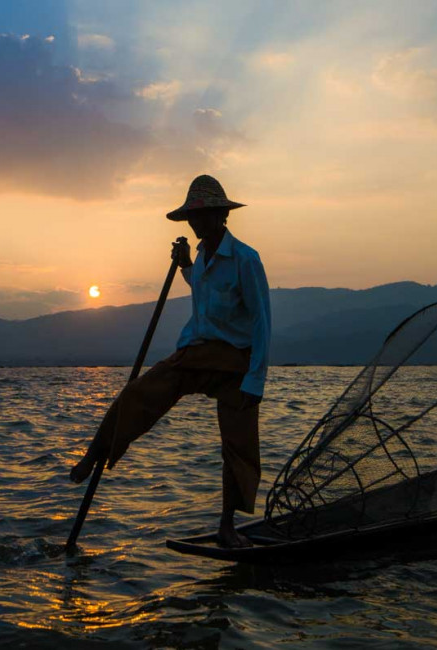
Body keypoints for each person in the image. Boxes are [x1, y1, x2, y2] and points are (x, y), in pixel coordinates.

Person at [69, 174, 271, 548]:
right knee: (139, 393)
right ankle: (94, 455)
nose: (196, 224)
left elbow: (261, 322)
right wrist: (184, 266)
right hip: (196, 352)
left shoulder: (246, 259)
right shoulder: (204, 257)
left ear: (220, 217)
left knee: (239, 447)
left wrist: (255, 381)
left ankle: (228, 527)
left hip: (235, 363)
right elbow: (203, 284)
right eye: (192, 217)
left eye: (202, 216)